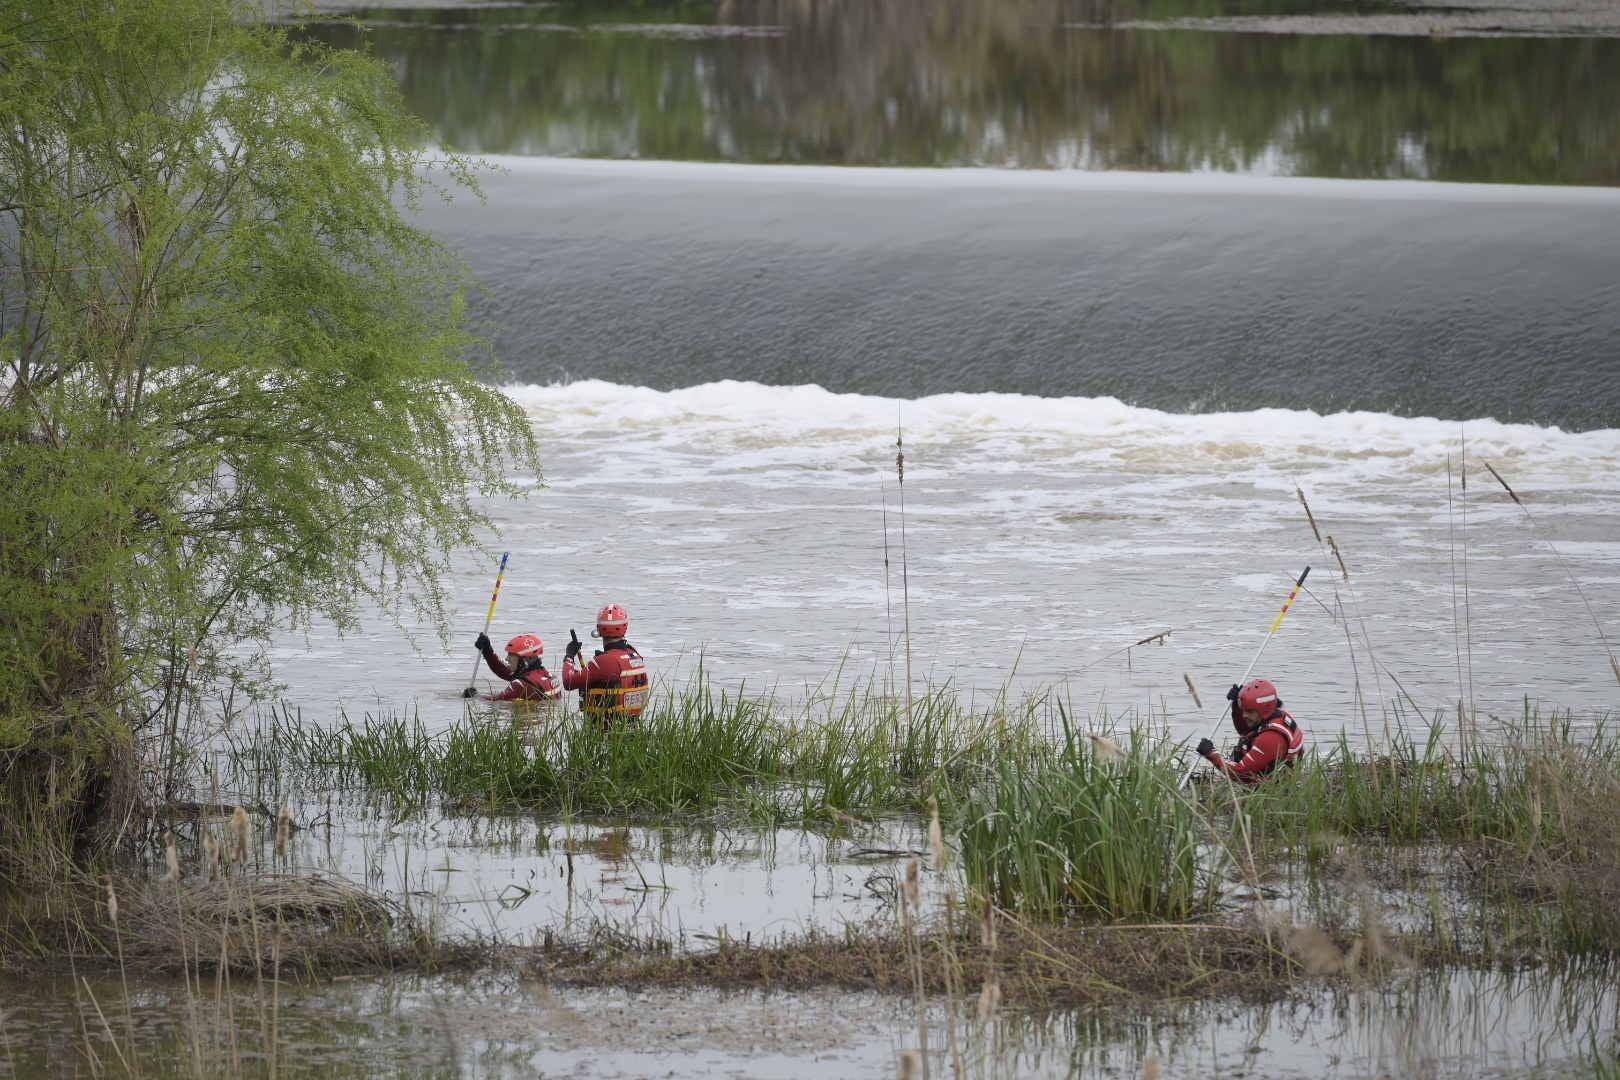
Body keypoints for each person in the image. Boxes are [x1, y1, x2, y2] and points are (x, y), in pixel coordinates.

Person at [1196, 677, 1304, 782]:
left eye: (1250, 711)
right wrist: (1236, 705)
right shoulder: (1277, 716)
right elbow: (1246, 732)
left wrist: (1211, 754)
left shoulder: (1271, 738)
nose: (1244, 715)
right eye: (1243, 710)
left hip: (1268, 791)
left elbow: (1239, 773)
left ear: (1265, 709)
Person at [562, 603, 649, 725]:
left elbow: (569, 682)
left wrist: (569, 656)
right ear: (625, 626)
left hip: (608, 733)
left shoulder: (603, 662)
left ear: (599, 629)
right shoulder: (635, 655)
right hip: (633, 727)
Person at [465, 632, 561, 704]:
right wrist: (488, 651)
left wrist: (475, 696)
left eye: (511, 655)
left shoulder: (520, 684)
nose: (507, 658)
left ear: (526, 659)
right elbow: (505, 671)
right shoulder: (549, 676)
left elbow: (496, 700)